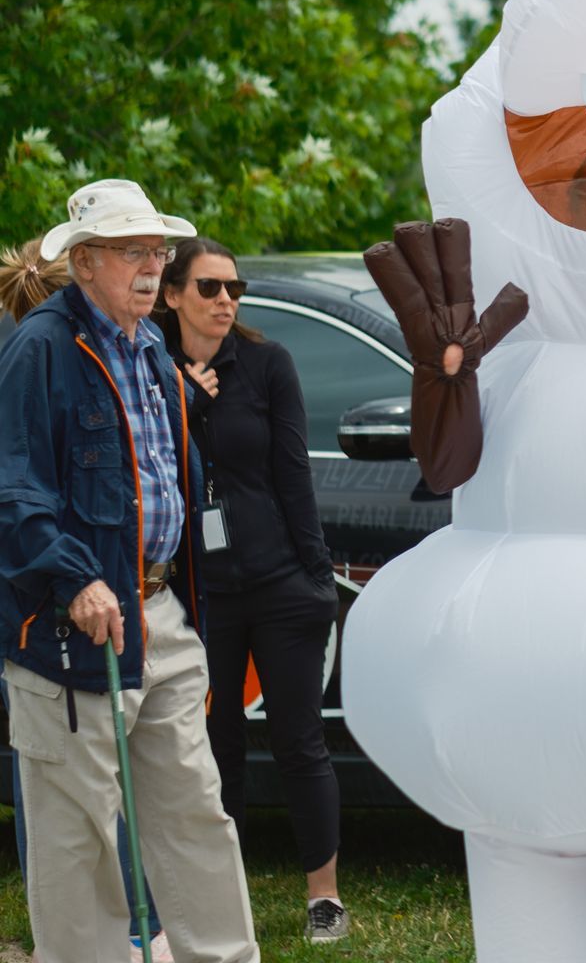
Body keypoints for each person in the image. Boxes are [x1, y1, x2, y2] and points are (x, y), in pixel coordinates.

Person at [0, 179, 258, 963]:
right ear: (83, 264)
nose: (153, 267)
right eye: (130, 251)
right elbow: (13, 490)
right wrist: (74, 578)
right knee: (79, 837)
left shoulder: (148, 344)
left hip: (160, 613)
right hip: (70, 630)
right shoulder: (41, 349)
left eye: (156, 250)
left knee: (195, 814)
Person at [156, 237, 350, 943]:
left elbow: (294, 474)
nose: (225, 301)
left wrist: (313, 577)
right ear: (172, 294)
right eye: (209, 288)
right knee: (212, 745)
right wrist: (180, 398)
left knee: (300, 742)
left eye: (233, 288)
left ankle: (323, 897)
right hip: (196, 593)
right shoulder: (151, 370)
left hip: (277, 583)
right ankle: (218, 895)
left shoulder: (266, 365)